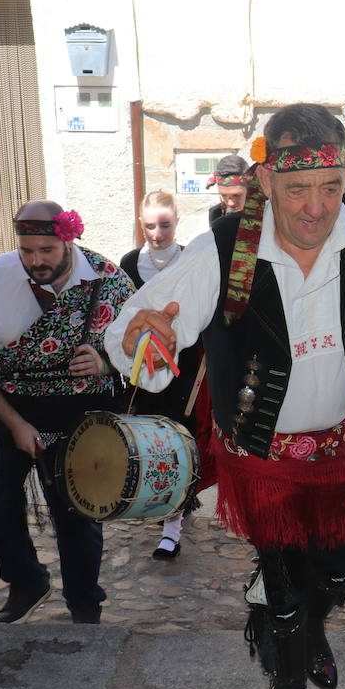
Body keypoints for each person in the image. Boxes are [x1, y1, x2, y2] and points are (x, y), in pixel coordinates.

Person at [106, 104, 345, 689]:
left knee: (341, 563)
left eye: (329, 188)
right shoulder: (224, 246)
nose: (315, 208)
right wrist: (146, 334)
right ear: (266, 180)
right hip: (260, 455)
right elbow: (138, 329)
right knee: (283, 577)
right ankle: (288, 679)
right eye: (297, 189)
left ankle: (307, 633)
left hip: (340, 448)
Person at [0, 200, 134, 625]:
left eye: (46, 251)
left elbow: (147, 350)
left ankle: (84, 602)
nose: (35, 261)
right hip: (5, 405)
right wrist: (15, 423)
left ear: (69, 241)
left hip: (80, 415)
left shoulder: (109, 281)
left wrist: (107, 362)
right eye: (27, 251)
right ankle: (27, 580)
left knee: (78, 515)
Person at [119, 190, 213, 560]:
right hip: (141, 370)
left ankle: (173, 524)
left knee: (179, 442)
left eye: (165, 225)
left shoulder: (192, 260)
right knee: (148, 440)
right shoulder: (129, 263)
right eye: (149, 226)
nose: (157, 233)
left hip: (182, 368)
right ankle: (157, 500)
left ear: (176, 222)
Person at [206, 154, 251, 225]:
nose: (230, 203)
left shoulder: (267, 215)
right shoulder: (212, 217)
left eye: (236, 195)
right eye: (223, 195)